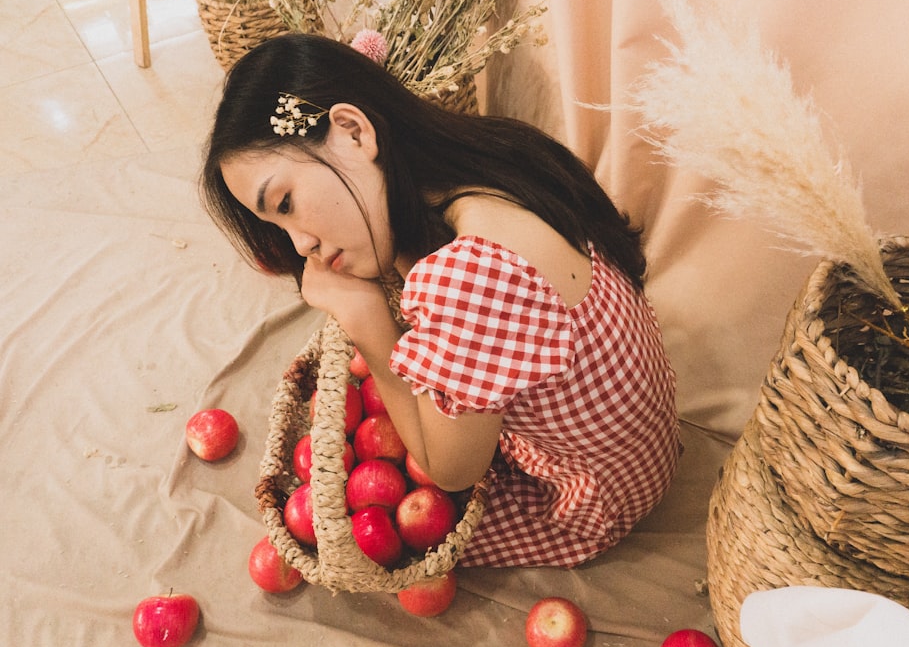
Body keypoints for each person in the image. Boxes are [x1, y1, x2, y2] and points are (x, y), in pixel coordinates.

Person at [201, 33, 680, 568]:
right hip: (638, 441)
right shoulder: (484, 158)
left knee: (374, 549)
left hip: (592, 498)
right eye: (276, 222)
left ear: (353, 132)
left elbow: (450, 470)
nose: (301, 244)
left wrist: (366, 320)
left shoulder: (464, 278)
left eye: (286, 202)